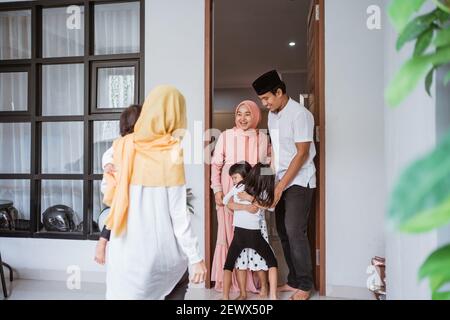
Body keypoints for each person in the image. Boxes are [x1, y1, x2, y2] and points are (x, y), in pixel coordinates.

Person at [104, 85, 207, 299]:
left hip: (123, 257)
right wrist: (196, 258)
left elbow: (107, 182)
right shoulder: (170, 153)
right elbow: (179, 215)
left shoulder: (123, 147)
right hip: (161, 258)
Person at [250, 70, 316, 300]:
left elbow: (301, 154)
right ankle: (294, 280)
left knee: (294, 230)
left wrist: (280, 187)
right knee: (283, 233)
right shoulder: (273, 116)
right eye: (261, 100)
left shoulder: (300, 115)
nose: (265, 103)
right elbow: (276, 153)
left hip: (300, 181)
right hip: (280, 180)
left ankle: (306, 285)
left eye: (267, 98)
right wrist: (268, 183)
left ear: (280, 92)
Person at [210, 100, 271, 293]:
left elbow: (267, 166)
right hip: (230, 189)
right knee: (228, 233)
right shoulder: (226, 136)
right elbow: (215, 165)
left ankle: (252, 283)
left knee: (253, 231)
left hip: (253, 190)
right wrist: (217, 189)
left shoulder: (262, 137)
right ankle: (228, 281)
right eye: (239, 114)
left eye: (247, 114)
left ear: (255, 116)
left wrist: (265, 191)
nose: (242, 118)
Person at [94, 104, 142, 266]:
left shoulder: (124, 143)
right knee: (118, 212)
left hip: (119, 188)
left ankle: (102, 241)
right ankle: (102, 241)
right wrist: (108, 165)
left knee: (117, 213)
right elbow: (107, 156)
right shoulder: (124, 143)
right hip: (119, 186)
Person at [222, 163, 278, 300]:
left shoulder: (242, 188)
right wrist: (246, 205)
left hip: (244, 233)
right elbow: (266, 207)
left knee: (229, 265)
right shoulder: (252, 189)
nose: (234, 180)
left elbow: (226, 201)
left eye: (235, 177)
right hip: (253, 233)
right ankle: (273, 296)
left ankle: (225, 298)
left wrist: (249, 200)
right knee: (272, 263)